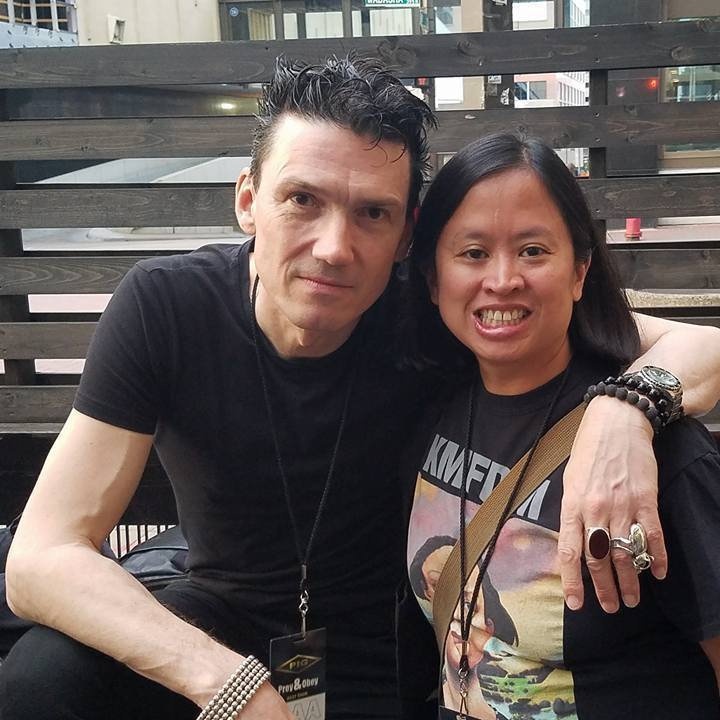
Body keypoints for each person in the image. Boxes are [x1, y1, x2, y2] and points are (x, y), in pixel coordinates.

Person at [1, 57, 720, 720]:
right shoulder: (167, 307)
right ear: (248, 201)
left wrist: (624, 412)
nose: (335, 247)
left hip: (381, 651)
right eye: (302, 199)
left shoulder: (431, 308)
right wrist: (226, 682)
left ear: (407, 237)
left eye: (372, 213)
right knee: (42, 679)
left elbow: (694, 345)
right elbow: (39, 559)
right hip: (214, 625)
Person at [400, 133, 720, 719]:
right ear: (433, 278)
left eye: (532, 251)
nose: (503, 279)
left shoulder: (655, 454)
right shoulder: (433, 405)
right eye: (473, 253)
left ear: (579, 271)